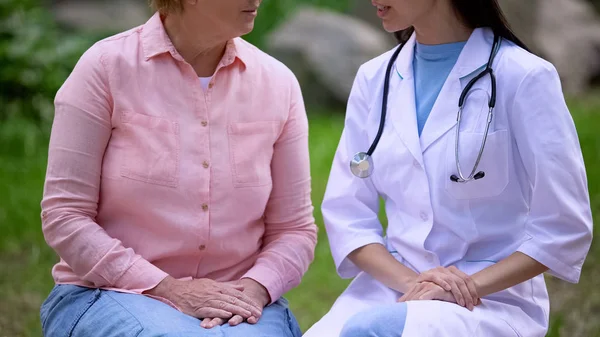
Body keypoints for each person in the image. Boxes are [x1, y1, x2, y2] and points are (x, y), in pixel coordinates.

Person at [303, 0, 593, 336]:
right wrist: (416, 284)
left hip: (489, 299)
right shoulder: (374, 80)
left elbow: (564, 228)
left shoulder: (524, 76)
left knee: (372, 331)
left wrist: (463, 287)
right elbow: (348, 216)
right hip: (391, 286)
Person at [39, 0, 318, 336]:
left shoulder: (278, 83)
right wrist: (169, 289)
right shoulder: (105, 68)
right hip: (109, 291)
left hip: (238, 302)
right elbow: (65, 215)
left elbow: (294, 230)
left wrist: (255, 289)